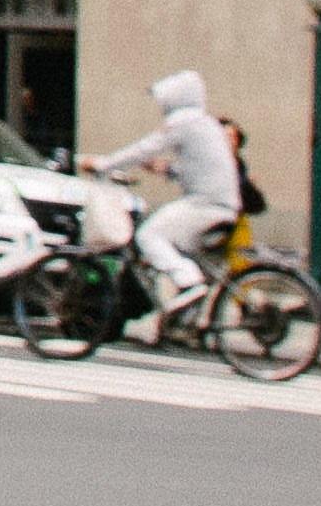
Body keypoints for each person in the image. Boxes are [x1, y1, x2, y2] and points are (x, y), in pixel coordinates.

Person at [89, 69, 240, 335]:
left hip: (205, 204)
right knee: (176, 247)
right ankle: (185, 318)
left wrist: (103, 164)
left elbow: (145, 147)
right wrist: (166, 170)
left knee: (148, 236)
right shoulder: (206, 123)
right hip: (222, 204)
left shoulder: (184, 121)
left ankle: (190, 284)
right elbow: (201, 166)